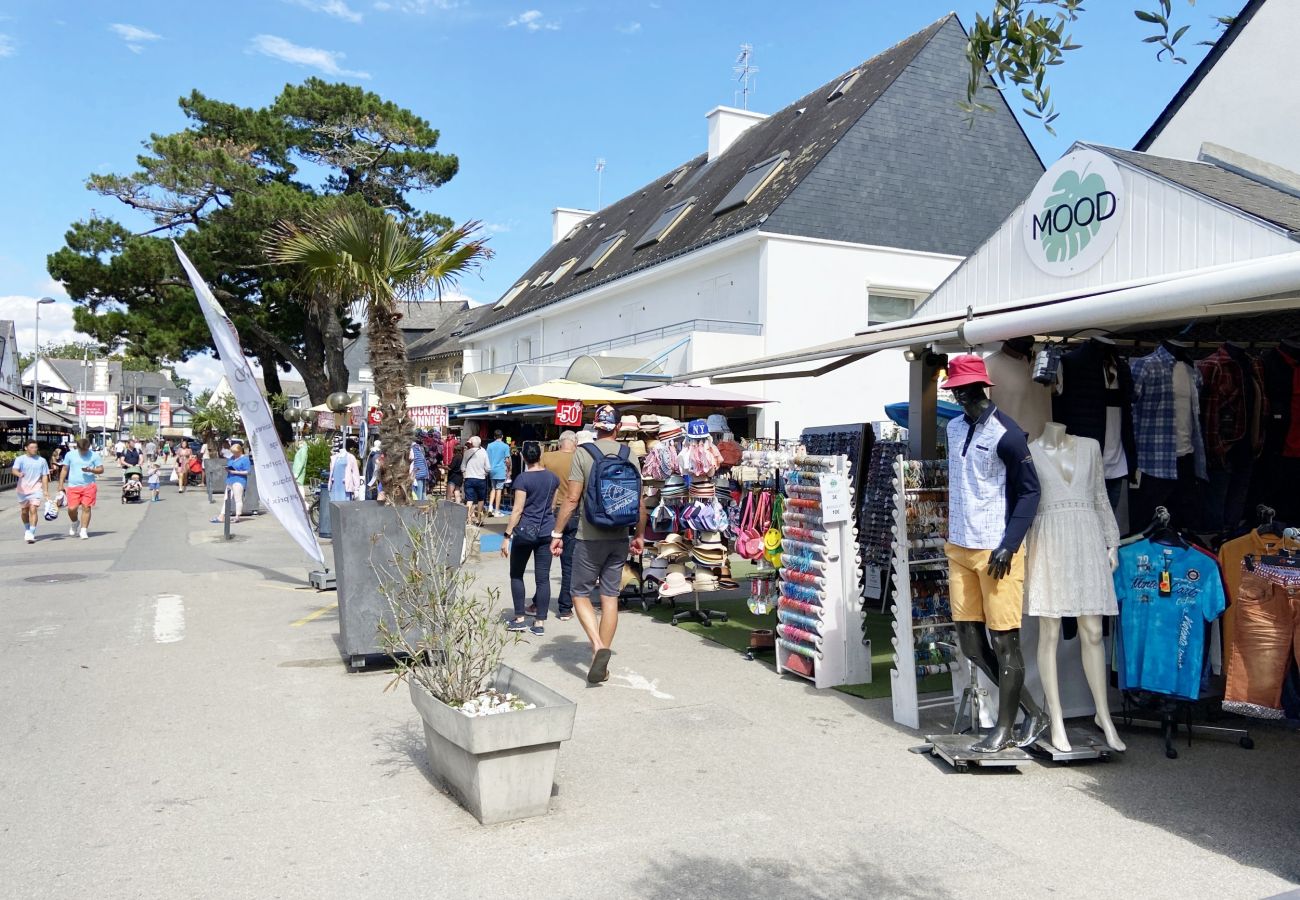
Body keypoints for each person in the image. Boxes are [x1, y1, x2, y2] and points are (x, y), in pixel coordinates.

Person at [551, 405, 646, 684]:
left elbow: (571, 499)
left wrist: (557, 533)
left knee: (579, 593)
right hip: (619, 535)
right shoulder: (631, 455)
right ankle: (599, 663)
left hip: (588, 536)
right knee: (609, 597)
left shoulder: (584, 452)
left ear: (596, 427)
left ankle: (598, 647)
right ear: (617, 427)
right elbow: (640, 502)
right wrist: (638, 535)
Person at [502, 442, 561, 636]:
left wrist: (507, 535)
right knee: (542, 578)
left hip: (525, 532)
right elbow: (552, 506)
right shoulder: (553, 478)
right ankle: (539, 622)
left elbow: (518, 509)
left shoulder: (522, 479)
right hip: (546, 531)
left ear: (524, 457)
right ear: (540, 455)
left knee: (516, 574)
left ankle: (519, 618)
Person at [535, 431, 578, 620]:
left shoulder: (547, 457)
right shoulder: (580, 459)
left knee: (543, 562)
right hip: (574, 513)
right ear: (575, 443)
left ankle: (538, 601)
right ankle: (565, 607)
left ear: (560, 443)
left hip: (550, 512)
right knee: (568, 564)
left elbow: (539, 482)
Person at [58, 436, 104, 540]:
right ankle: (75, 522)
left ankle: (84, 530)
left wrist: (92, 470)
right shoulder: (70, 455)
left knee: (86, 507)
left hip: (89, 485)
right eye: (82, 450)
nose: (84, 452)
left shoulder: (94, 456)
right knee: (71, 509)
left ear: (89, 448)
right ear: (77, 447)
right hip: (73, 486)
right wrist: (60, 484)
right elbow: (65, 469)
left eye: (86, 450)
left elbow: (101, 469)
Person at [12, 440, 50, 544]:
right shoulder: (20, 459)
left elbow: (45, 476)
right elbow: (14, 470)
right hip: (22, 489)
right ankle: (27, 529)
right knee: (24, 511)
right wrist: (18, 474)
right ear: (26, 448)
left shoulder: (42, 460)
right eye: (32, 447)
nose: (34, 449)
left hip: (36, 488)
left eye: (36, 447)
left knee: (33, 509)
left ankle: (31, 533)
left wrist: (45, 491)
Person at [212, 440, 252, 523]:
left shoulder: (245, 459)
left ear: (240, 451)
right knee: (226, 498)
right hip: (230, 479)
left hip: (239, 480)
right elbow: (230, 464)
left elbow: (248, 472)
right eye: (233, 452)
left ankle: (237, 516)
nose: (234, 454)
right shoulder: (232, 458)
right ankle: (221, 515)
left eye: (235, 452)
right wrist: (227, 468)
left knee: (238, 498)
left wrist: (235, 472)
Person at [462, 435, 490, 523]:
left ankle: (469, 519)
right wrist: (485, 473)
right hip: (481, 478)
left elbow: (462, 467)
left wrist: (465, 474)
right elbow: (488, 468)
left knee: (469, 500)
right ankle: (479, 519)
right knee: (481, 499)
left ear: (472, 444)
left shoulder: (467, 453)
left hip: (469, 478)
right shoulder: (484, 452)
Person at [327, 435, 361, 503]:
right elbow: (331, 473)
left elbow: (355, 473)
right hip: (335, 486)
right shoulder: (334, 458)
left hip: (345, 487)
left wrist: (356, 488)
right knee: (334, 505)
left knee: (344, 506)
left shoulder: (351, 457)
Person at [486, 430, 510, 517]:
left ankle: (490, 507)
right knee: (499, 490)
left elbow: (487, 458)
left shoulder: (489, 446)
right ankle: (496, 510)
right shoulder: (505, 446)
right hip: (500, 470)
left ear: (494, 436)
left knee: (493, 488)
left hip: (491, 469)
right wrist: (509, 469)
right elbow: (507, 460)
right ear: (502, 436)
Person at [409, 437, 430, 502]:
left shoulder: (411, 449)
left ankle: (419, 510)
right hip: (423, 473)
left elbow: (411, 460)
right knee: (423, 494)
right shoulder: (419, 448)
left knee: (418, 496)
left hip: (417, 474)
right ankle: (426, 509)